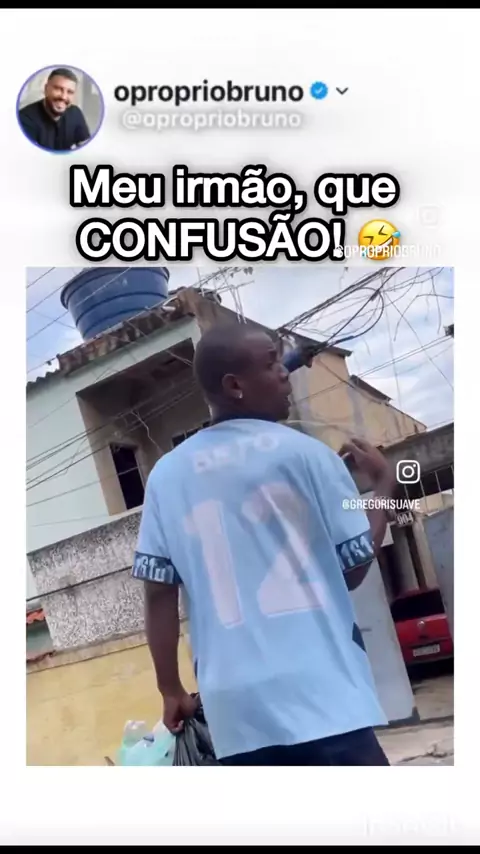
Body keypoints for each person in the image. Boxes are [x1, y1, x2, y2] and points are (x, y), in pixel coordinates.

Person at [132, 324, 396, 766]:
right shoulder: (310, 455)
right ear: (234, 386)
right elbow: (353, 570)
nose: (284, 372)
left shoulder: (165, 475)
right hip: (324, 694)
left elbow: (158, 591)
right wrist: (383, 487)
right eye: (272, 363)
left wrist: (170, 688)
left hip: (235, 712)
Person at [18, 67, 90, 152]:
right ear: (46, 89)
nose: (64, 97)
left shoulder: (75, 113)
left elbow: (87, 149)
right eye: (58, 89)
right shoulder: (24, 119)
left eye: (70, 92)